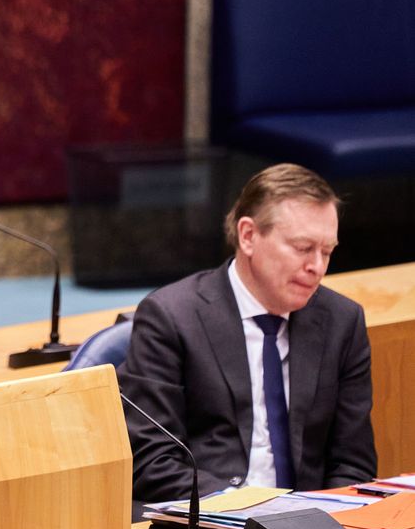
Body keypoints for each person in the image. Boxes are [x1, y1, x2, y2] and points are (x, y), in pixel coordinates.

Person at [118, 163, 376, 503]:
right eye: (302, 248)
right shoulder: (171, 317)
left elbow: (353, 463)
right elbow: (152, 463)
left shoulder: (342, 322)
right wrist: (246, 511)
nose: (317, 266)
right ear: (248, 236)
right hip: (210, 519)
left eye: (326, 251)